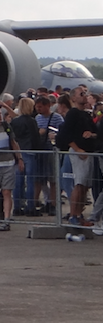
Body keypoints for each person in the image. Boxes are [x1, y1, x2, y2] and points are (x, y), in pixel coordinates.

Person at [58, 84, 98, 226]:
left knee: (85, 185)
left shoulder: (85, 114)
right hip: (79, 152)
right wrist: (77, 148)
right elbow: (65, 134)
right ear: (74, 98)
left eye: (85, 93)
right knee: (79, 183)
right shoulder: (73, 113)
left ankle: (79, 214)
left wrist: (91, 134)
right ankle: (74, 215)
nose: (85, 95)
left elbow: (96, 131)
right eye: (81, 94)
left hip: (88, 152)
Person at [9, 96, 41, 216]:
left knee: (18, 181)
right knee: (31, 180)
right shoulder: (31, 121)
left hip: (18, 152)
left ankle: (17, 207)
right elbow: (35, 137)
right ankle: (30, 207)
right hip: (30, 151)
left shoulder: (15, 121)